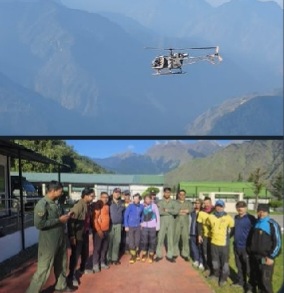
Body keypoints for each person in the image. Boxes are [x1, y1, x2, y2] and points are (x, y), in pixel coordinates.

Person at [26, 181, 76, 293]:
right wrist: (59, 220)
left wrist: (67, 216)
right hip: (48, 241)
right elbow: (39, 224)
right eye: (60, 191)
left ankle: (61, 286)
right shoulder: (42, 204)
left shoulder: (56, 203)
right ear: (53, 190)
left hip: (60, 238)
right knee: (44, 268)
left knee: (62, 263)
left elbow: (59, 218)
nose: (62, 193)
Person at [247, 203, 282, 293]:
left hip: (265, 258)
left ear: (267, 212)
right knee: (255, 276)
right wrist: (249, 250)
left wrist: (271, 257)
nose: (261, 214)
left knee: (265, 280)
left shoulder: (272, 224)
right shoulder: (256, 223)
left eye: (264, 212)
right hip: (254, 257)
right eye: (259, 211)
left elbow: (278, 243)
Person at [67, 187, 94, 287]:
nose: (93, 198)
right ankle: (71, 275)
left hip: (85, 233)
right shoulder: (78, 205)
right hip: (77, 235)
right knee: (75, 255)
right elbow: (70, 220)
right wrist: (71, 236)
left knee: (85, 253)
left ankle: (82, 269)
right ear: (85, 195)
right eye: (91, 196)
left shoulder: (88, 205)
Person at [206, 199, 234, 287]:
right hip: (214, 243)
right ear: (215, 206)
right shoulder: (210, 216)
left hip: (224, 244)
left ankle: (223, 278)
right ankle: (215, 275)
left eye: (221, 206)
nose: (219, 208)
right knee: (215, 261)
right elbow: (208, 226)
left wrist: (227, 237)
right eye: (218, 206)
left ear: (224, 207)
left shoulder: (228, 217)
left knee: (224, 262)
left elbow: (233, 229)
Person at [230, 201, 256, 291]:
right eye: (238, 207)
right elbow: (233, 230)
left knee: (248, 268)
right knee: (239, 266)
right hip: (236, 246)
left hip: (246, 247)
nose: (240, 208)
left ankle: (250, 286)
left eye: (242, 207)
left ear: (246, 208)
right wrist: (228, 237)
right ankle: (241, 282)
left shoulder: (251, 218)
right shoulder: (236, 217)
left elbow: (255, 232)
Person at [155, 187, 179, 263]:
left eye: (168, 192)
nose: (167, 193)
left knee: (170, 238)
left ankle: (170, 255)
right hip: (162, 220)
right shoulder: (160, 202)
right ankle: (159, 255)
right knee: (160, 237)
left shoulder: (174, 202)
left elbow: (176, 211)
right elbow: (159, 212)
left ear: (170, 193)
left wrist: (167, 210)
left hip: (171, 220)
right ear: (164, 193)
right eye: (166, 192)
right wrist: (170, 212)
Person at [92, 192, 110, 273]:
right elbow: (95, 219)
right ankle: (95, 264)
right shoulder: (98, 205)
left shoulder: (107, 206)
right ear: (100, 197)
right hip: (99, 231)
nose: (105, 199)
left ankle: (102, 262)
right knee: (97, 248)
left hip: (106, 230)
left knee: (104, 248)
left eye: (107, 197)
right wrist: (98, 230)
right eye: (104, 197)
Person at [124, 193, 144, 264]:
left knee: (137, 241)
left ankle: (137, 253)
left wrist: (141, 222)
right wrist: (126, 225)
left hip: (138, 226)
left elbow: (142, 215)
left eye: (137, 198)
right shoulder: (130, 206)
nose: (136, 200)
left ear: (139, 199)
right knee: (131, 242)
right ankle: (133, 255)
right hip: (130, 226)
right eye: (134, 198)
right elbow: (125, 216)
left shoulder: (141, 206)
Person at [107, 187, 125, 265]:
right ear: (113, 193)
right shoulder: (109, 202)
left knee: (117, 242)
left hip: (119, 225)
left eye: (118, 192)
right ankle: (108, 258)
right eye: (116, 192)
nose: (117, 194)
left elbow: (123, 213)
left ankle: (115, 258)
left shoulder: (122, 203)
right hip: (110, 225)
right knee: (110, 242)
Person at [140, 194, 160, 263]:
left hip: (152, 226)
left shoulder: (154, 206)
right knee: (144, 241)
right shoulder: (142, 206)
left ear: (151, 199)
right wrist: (141, 223)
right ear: (144, 200)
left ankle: (151, 255)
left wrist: (157, 226)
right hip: (144, 226)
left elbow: (157, 215)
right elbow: (140, 214)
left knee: (152, 241)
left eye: (149, 199)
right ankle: (144, 254)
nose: (148, 200)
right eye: (146, 199)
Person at [197, 196, 214, 274]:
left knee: (213, 253)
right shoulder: (201, 212)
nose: (207, 205)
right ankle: (207, 267)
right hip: (205, 235)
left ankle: (214, 268)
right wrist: (199, 235)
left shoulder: (215, 211)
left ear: (211, 203)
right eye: (205, 203)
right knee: (205, 252)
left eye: (208, 203)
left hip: (214, 236)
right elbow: (199, 224)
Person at [173, 189, 191, 261]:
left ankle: (185, 254)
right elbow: (173, 210)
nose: (182, 196)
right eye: (180, 194)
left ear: (185, 195)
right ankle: (175, 253)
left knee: (185, 238)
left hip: (185, 223)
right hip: (176, 222)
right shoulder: (174, 202)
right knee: (175, 238)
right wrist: (180, 212)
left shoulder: (188, 203)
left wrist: (185, 211)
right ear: (178, 195)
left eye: (183, 194)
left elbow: (191, 209)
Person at [190, 198, 204, 269]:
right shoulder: (192, 212)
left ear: (201, 204)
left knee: (200, 248)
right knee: (194, 247)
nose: (197, 204)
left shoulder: (203, 212)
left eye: (198, 203)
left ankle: (201, 262)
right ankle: (196, 260)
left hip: (199, 233)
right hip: (192, 232)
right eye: (196, 203)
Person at [120, 190, 132, 255]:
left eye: (128, 195)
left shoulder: (132, 203)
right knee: (122, 236)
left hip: (129, 223)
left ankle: (127, 249)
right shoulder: (121, 203)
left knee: (128, 237)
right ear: (123, 196)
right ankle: (122, 249)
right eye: (125, 195)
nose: (127, 197)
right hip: (122, 223)